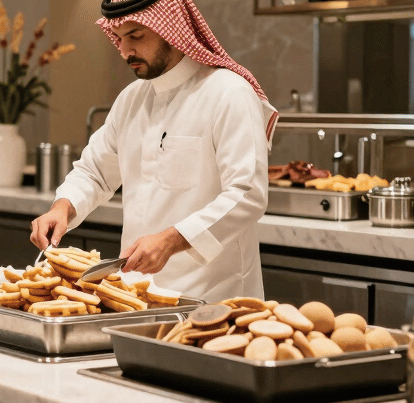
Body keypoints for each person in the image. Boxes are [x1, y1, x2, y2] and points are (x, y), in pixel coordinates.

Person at [30, 0, 278, 302]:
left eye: (136, 36)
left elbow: (247, 193)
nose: (124, 51)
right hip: (135, 296)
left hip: (214, 300)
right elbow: (95, 172)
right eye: (119, 39)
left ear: (171, 30)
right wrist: (62, 208)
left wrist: (171, 240)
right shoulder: (131, 100)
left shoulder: (229, 93)